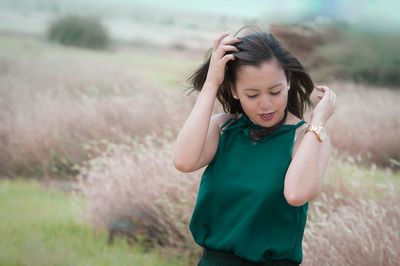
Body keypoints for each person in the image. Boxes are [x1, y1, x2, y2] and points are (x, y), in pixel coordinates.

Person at [173, 28, 336, 266]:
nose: (266, 104)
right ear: (234, 91)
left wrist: (318, 122)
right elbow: (183, 161)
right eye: (252, 94)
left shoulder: (308, 136)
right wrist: (211, 82)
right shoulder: (224, 128)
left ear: (288, 81)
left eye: (275, 91)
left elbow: (297, 194)